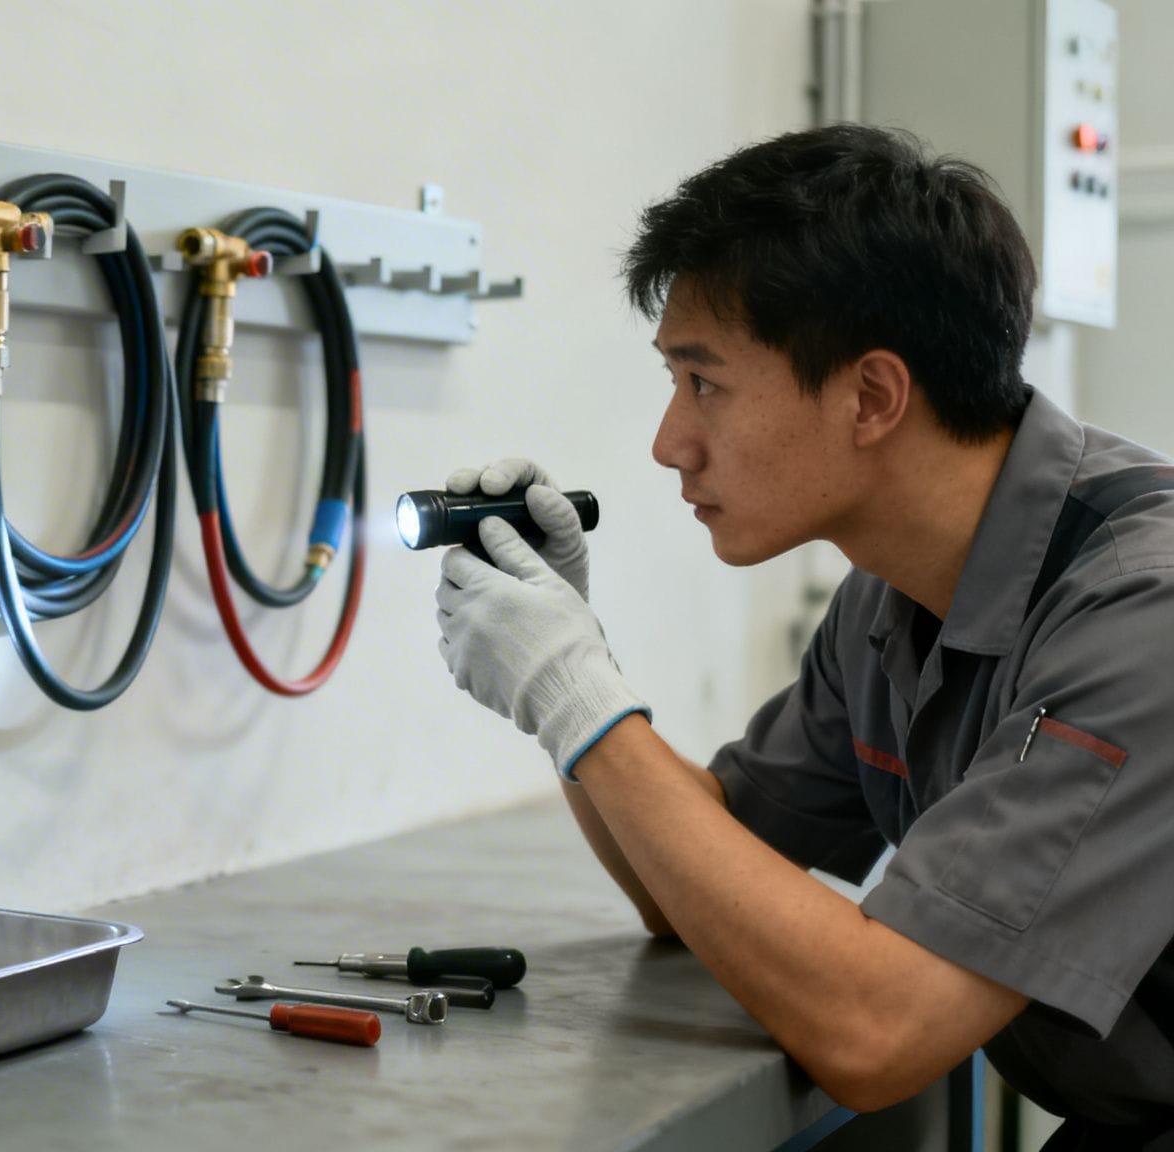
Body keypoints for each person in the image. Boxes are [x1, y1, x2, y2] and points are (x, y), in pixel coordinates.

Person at [433, 123, 1174, 1148]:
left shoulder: (1145, 613)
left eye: (703, 383)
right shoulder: (888, 600)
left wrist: (576, 695)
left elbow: (879, 1032)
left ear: (870, 396)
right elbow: (684, 883)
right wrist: (573, 671)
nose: (667, 442)